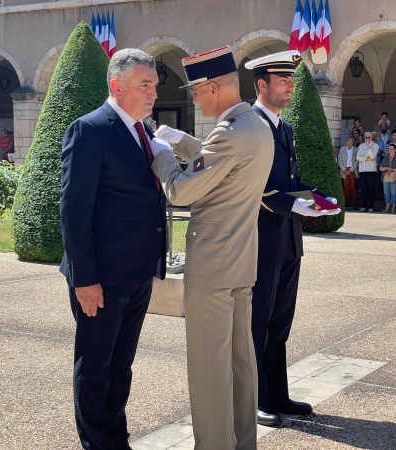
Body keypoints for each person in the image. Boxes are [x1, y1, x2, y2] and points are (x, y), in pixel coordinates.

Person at [151, 46, 275, 450]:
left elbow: (182, 191)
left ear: (212, 88)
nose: (193, 99)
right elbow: (222, 164)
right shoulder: (255, 125)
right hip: (240, 263)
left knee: (209, 373)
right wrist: (184, 141)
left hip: (213, 267)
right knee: (241, 366)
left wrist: (162, 153)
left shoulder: (227, 132)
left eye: (195, 91)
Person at [59, 48, 167, 450]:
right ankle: (96, 444)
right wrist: (84, 279)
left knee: (121, 366)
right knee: (95, 368)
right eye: (145, 84)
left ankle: (115, 439)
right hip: (101, 278)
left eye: (155, 85)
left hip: (137, 274)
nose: (153, 92)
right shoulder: (90, 129)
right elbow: (73, 212)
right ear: (116, 86)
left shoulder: (145, 132)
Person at [245, 50, 339, 429]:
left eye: (291, 81)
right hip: (262, 241)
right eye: (283, 80)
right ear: (262, 84)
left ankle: (278, 393)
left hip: (288, 241)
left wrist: (317, 199)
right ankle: (254, 399)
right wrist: (298, 207)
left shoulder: (283, 127)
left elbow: (288, 183)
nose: (290, 87)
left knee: (280, 321)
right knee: (257, 321)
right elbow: (256, 189)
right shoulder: (250, 125)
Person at [356, 131, 379, 211]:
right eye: (365, 137)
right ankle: (364, 206)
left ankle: (371, 206)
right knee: (363, 188)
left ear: (371, 138)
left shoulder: (375, 146)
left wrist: (368, 147)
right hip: (362, 170)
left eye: (369, 137)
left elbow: (373, 156)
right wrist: (366, 159)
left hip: (371, 170)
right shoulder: (361, 146)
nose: (367, 139)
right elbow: (358, 157)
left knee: (371, 188)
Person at [379, 143, 396, 213]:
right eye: (389, 149)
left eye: (392, 149)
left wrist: (392, 170)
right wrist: (386, 168)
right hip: (385, 177)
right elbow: (380, 168)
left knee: (393, 192)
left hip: (394, 177)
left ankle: (393, 208)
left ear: (395, 149)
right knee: (386, 193)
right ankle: (387, 207)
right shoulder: (385, 158)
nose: (391, 150)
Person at [338, 137, 359, 209]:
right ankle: (345, 203)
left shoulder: (356, 149)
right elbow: (339, 160)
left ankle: (355, 203)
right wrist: (344, 170)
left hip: (352, 171)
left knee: (353, 188)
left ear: (353, 142)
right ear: (346, 142)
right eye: (348, 141)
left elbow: (357, 161)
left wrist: (351, 170)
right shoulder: (342, 149)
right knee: (346, 188)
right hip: (344, 171)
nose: (350, 142)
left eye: (351, 141)